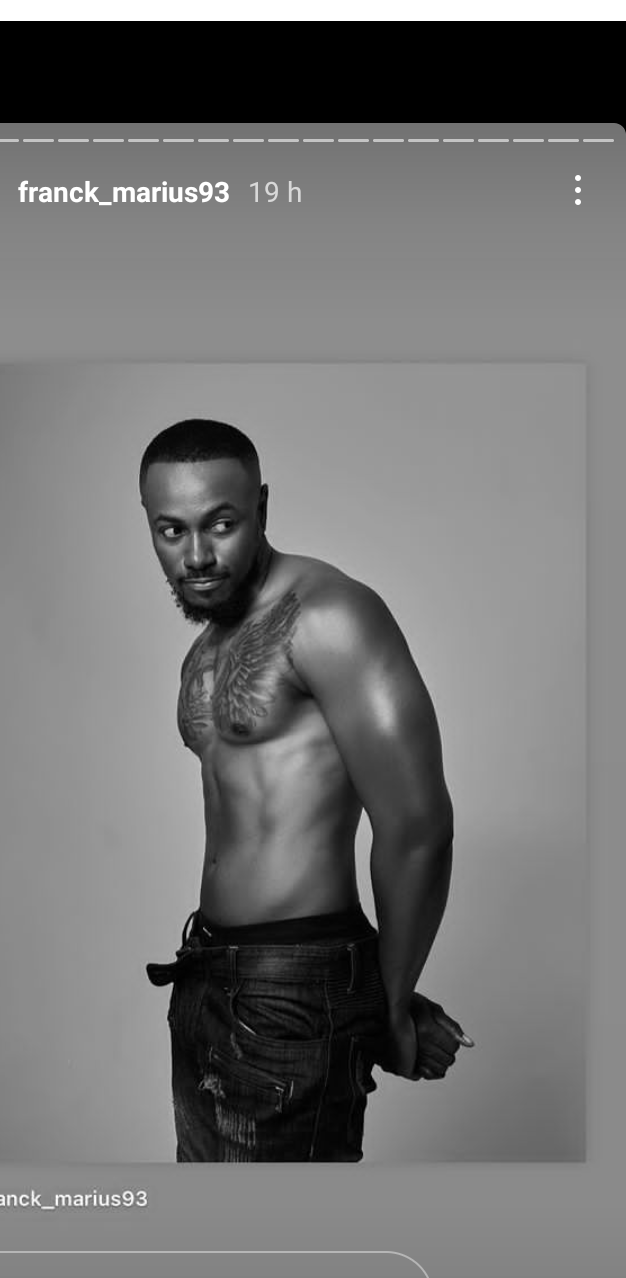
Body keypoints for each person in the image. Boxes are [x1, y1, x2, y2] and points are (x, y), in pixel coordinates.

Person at [142, 418, 473, 1161]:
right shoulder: (207, 647)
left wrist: (386, 1004)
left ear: (261, 506)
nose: (196, 556)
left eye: (220, 524)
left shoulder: (329, 614)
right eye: (171, 530)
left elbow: (418, 827)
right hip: (207, 975)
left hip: (294, 988)